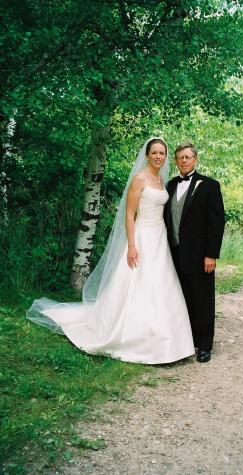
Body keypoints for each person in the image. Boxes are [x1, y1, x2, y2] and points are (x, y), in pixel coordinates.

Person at [27, 138, 194, 364]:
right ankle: (134, 337)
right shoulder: (139, 179)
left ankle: (168, 340)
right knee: (139, 283)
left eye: (162, 153)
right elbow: (129, 214)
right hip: (142, 237)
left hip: (159, 239)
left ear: (166, 157)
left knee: (162, 284)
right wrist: (133, 245)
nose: (158, 156)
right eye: (154, 152)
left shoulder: (161, 179)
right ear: (146, 155)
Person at [164, 142, 225, 363]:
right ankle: (188, 342)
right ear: (176, 161)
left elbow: (216, 223)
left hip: (201, 256)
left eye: (187, 157)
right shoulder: (170, 186)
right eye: (180, 157)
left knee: (203, 300)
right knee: (182, 299)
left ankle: (205, 345)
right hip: (174, 254)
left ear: (195, 159)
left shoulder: (210, 186)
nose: (183, 161)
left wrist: (211, 255)